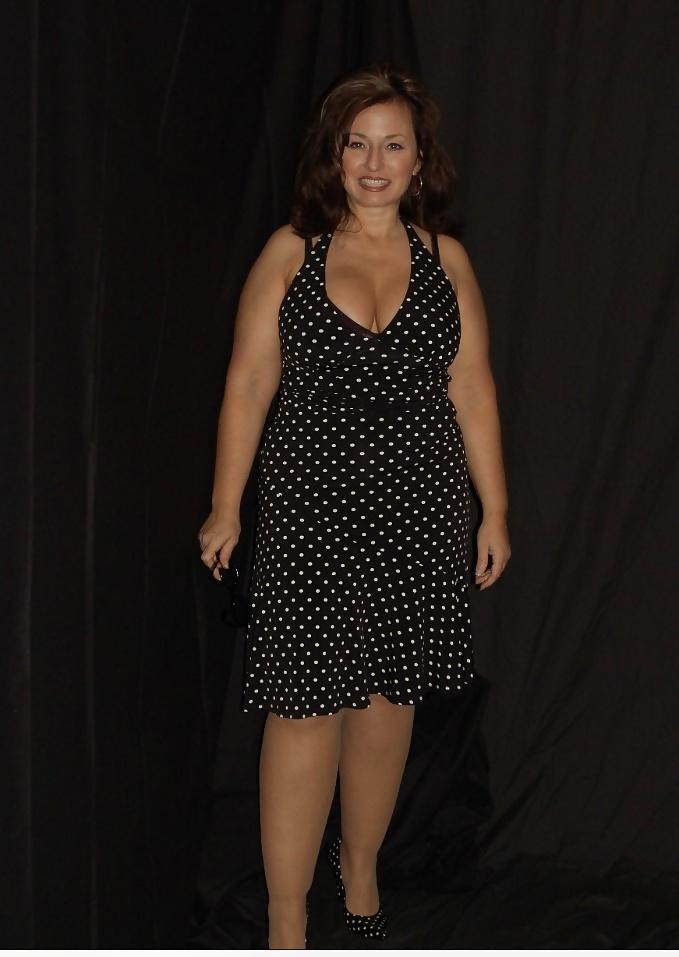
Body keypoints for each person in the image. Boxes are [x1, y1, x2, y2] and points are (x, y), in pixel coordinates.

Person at [197, 62, 511, 949]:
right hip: (310, 514)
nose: (374, 164)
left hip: (418, 512)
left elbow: (472, 388)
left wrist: (493, 511)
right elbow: (248, 383)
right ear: (333, 155)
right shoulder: (289, 252)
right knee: (303, 710)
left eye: (392, 145)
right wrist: (226, 505)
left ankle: (361, 871)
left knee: (384, 701)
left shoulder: (445, 261)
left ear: (419, 159)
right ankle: (288, 919)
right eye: (357, 144)